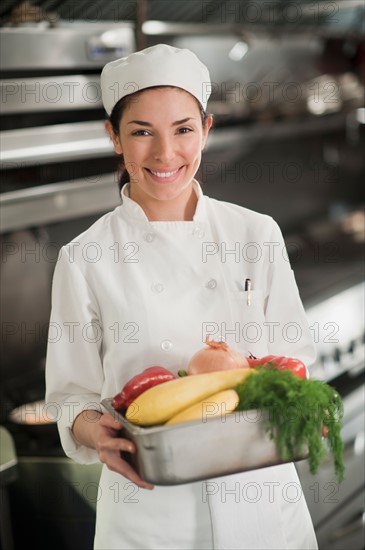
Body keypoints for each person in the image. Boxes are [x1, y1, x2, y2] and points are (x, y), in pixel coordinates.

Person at [45, 44, 318, 550]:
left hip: (260, 497)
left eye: (183, 129)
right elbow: (71, 399)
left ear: (207, 130)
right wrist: (93, 431)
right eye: (141, 132)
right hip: (151, 512)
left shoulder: (256, 233)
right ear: (114, 137)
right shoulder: (84, 258)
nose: (165, 154)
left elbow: (297, 356)